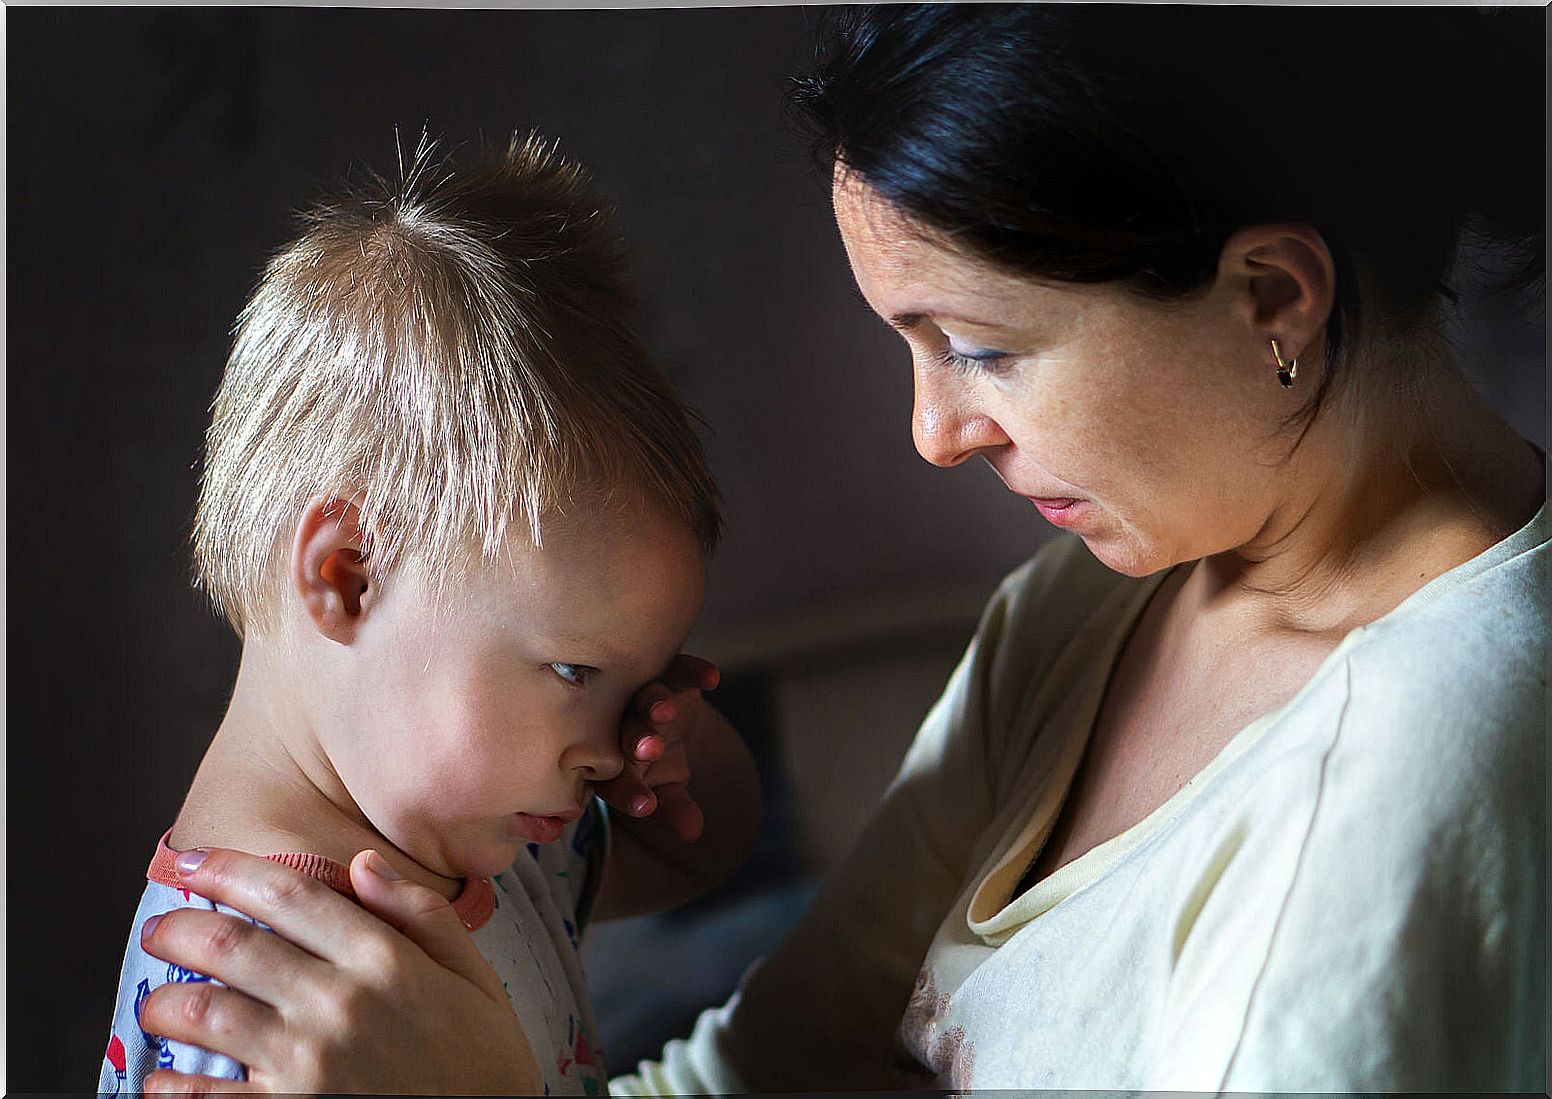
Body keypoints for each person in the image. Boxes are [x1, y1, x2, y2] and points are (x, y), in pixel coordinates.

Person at [133, 5, 1545, 1093]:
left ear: (1270, 295)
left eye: (984, 347)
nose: (934, 430)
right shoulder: (1101, 599)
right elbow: (765, 1068)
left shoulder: (1415, 779)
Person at [99, 133, 760, 1095]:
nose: (607, 747)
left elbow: (705, 849)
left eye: (642, 680)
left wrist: (673, 746)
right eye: (577, 671)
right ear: (350, 574)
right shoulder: (252, 1008)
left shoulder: (470, 826)